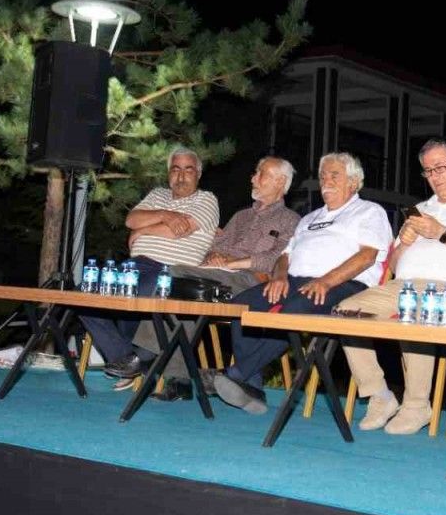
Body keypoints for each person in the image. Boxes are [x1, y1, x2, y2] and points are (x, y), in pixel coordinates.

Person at [336, 139, 446, 435]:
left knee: (413, 312)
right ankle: (378, 394)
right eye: (428, 171)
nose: (435, 177)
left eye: (440, 167)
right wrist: (405, 242)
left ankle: (416, 405)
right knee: (345, 311)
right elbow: (394, 264)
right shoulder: (420, 209)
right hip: (402, 284)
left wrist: (442, 233)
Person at [104, 157, 300, 399]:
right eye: (255, 173)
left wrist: (233, 262)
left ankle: (143, 354)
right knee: (180, 293)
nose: (253, 178)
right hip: (217, 277)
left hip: (250, 282)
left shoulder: (291, 220)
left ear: (280, 182)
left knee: (174, 274)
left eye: (261, 174)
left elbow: (278, 258)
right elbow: (216, 246)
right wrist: (213, 256)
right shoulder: (241, 216)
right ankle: (180, 382)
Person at [212, 152, 393, 415]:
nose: (326, 181)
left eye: (334, 175)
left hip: (344, 284)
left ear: (353, 182)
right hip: (295, 281)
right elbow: (285, 256)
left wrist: (326, 281)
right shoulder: (310, 218)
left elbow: (367, 256)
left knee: (294, 310)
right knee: (240, 307)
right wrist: (279, 277)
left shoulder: (369, 211)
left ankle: (236, 374)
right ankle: (251, 386)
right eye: (323, 176)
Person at [80, 147, 220, 383]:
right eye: (175, 169)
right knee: (83, 296)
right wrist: (165, 214)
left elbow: (179, 230)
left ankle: (131, 362)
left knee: (138, 297)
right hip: (134, 266)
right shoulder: (157, 195)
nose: (181, 176)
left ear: (198, 174)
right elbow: (131, 219)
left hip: (170, 271)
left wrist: (142, 231)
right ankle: (126, 358)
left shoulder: (206, 199)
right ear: (168, 173)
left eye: (188, 170)